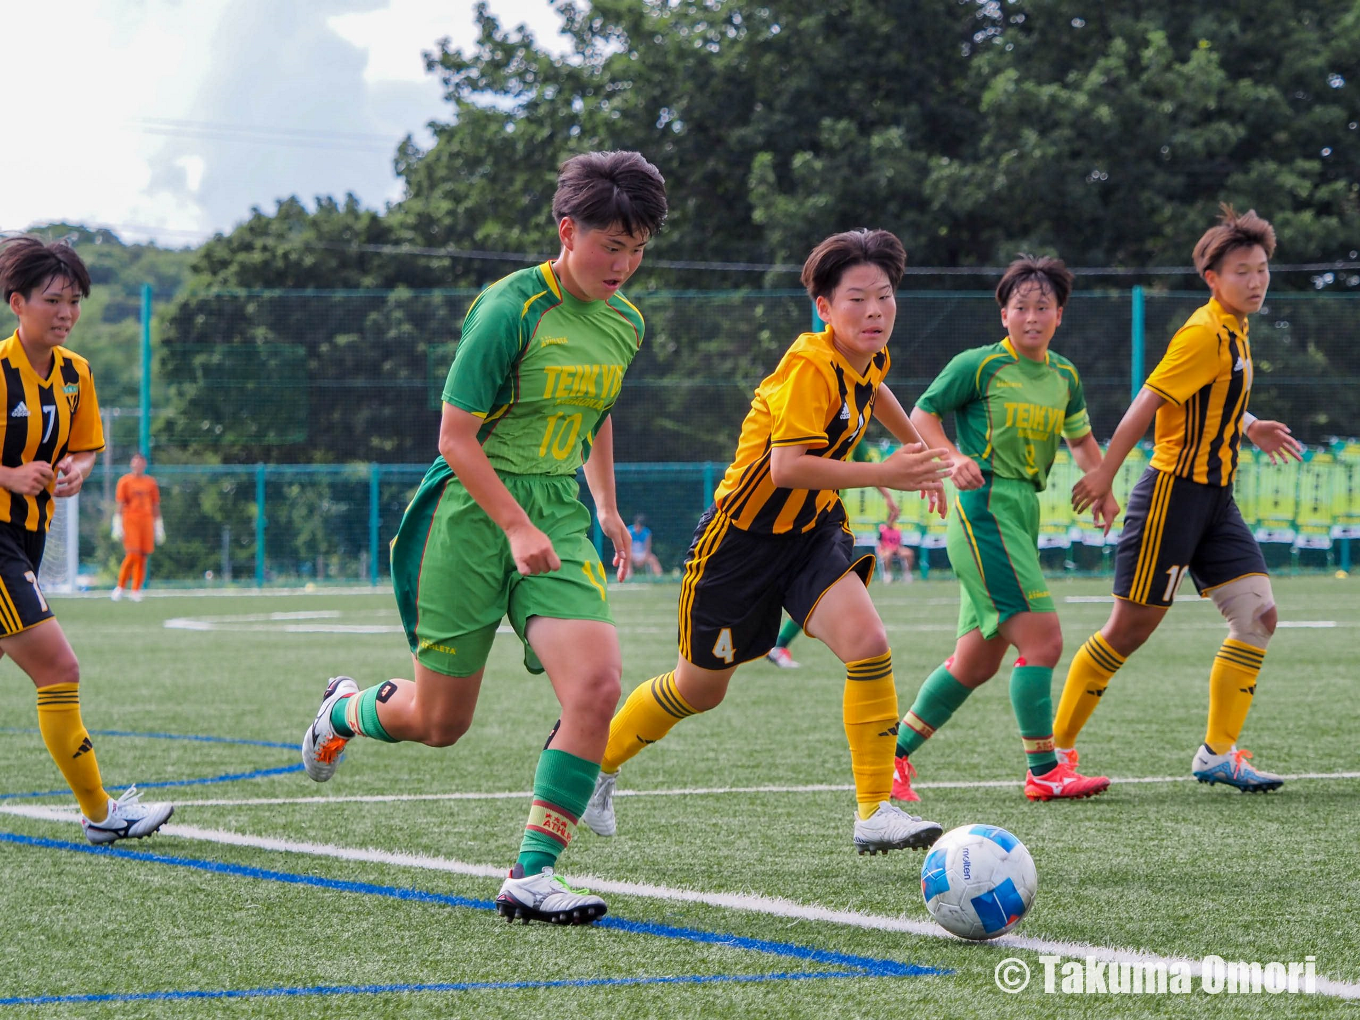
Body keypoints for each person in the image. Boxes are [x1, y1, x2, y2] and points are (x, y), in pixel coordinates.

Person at [300, 151, 668, 925]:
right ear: (568, 231)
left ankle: (531, 874)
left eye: (638, 249)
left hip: (558, 513)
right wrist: (513, 524)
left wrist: (604, 506)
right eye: (611, 246)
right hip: (471, 512)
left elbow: (597, 413)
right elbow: (455, 437)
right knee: (440, 724)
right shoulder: (510, 308)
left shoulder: (626, 322)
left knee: (597, 686)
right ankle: (341, 712)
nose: (624, 265)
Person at [581, 229, 951, 854]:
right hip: (737, 547)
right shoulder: (811, 367)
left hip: (810, 534)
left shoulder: (866, 356)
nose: (875, 312)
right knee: (699, 688)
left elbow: (877, 390)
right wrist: (887, 472)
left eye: (885, 297)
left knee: (868, 644)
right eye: (856, 299)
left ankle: (873, 810)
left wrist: (918, 448)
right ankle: (595, 763)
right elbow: (787, 468)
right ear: (825, 309)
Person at [1056, 206, 1303, 792]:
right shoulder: (1203, 333)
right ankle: (1053, 754)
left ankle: (1218, 754)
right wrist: (1105, 475)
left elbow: (1206, 400)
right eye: (1242, 270)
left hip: (1216, 499)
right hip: (1170, 495)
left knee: (1258, 616)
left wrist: (1249, 426)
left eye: (1262, 268)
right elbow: (1147, 403)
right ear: (1212, 278)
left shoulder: (1235, 331)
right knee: (1129, 629)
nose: (1256, 280)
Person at [891, 255, 1117, 803]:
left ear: (1059, 315)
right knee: (1043, 641)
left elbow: (1083, 442)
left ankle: (888, 757)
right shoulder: (979, 364)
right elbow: (922, 414)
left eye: (1043, 307)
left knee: (976, 660)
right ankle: (1044, 770)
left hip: (1022, 511)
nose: (1032, 316)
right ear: (1004, 315)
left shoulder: (1064, 375)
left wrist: (1104, 487)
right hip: (984, 506)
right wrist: (952, 456)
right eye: (1021, 307)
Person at [0, 237, 173, 843]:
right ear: (17, 303)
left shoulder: (76, 374)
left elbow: (87, 444)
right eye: (53, 300)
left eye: (74, 300)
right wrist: (8, 475)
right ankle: (101, 813)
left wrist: (78, 470)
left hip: (27, 539)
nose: (66, 312)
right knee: (59, 667)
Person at [766, 439, 902, 668]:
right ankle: (774, 644)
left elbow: (869, 466)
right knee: (811, 588)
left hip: (824, 519)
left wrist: (887, 495)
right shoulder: (816, 419)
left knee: (816, 587)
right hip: (799, 519)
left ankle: (777, 644)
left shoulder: (856, 424)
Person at [111, 453, 163, 602]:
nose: (138, 465)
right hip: (131, 520)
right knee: (132, 554)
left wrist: (159, 526)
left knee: (142, 556)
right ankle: (120, 587)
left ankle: (136, 590)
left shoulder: (150, 483)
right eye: (135, 462)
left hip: (146, 521)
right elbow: (120, 504)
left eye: (140, 463)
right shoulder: (125, 481)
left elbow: (155, 505)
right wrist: (117, 524)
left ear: (144, 465)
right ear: (131, 464)